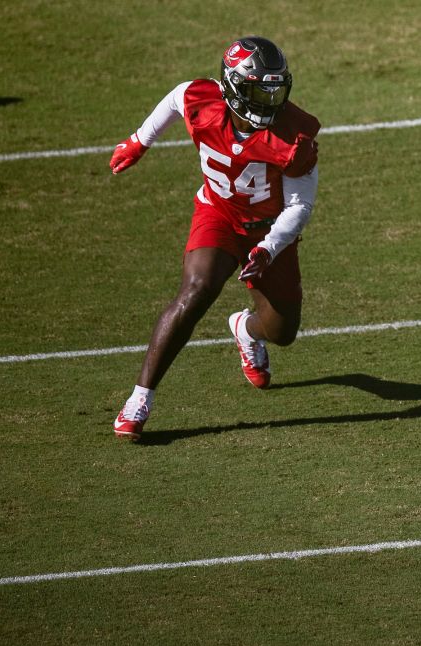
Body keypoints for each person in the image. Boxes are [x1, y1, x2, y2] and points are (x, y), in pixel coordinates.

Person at [108, 36, 321, 440]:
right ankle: (139, 399)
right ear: (235, 86)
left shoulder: (295, 137)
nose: (270, 101)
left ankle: (246, 329)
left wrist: (268, 247)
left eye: (276, 90)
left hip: (271, 230)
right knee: (196, 290)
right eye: (260, 90)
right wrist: (139, 141)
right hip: (218, 213)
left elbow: (299, 207)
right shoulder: (204, 101)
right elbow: (177, 97)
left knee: (283, 331)